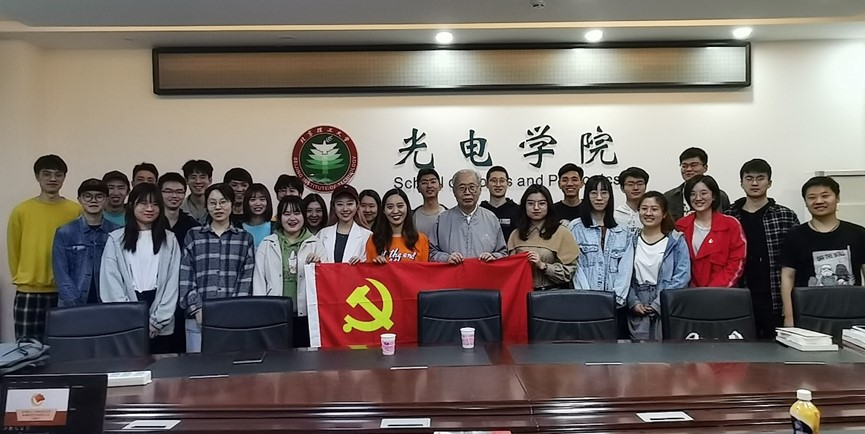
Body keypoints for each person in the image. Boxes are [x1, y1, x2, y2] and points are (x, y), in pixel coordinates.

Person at [7, 155, 81, 340]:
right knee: (26, 348)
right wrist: (22, 278)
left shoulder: (76, 210)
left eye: (58, 174)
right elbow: (14, 248)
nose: (53, 179)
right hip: (29, 291)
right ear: (37, 176)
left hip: (64, 292)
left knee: (64, 346)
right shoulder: (21, 210)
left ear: (64, 177)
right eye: (47, 174)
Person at [100, 183, 180, 354]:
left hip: (160, 315)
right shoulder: (115, 239)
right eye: (143, 203)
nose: (149, 209)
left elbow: (173, 283)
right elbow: (111, 283)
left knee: (162, 367)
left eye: (155, 204)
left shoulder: (170, 239)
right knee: (130, 367)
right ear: (131, 206)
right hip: (127, 316)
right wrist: (131, 319)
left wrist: (157, 321)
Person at [726, 159, 800, 339]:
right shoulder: (729, 216)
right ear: (741, 183)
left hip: (774, 296)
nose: (754, 183)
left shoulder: (785, 215)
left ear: (769, 182)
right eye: (749, 178)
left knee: (778, 349)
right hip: (739, 295)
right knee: (739, 350)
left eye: (760, 178)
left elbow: (796, 260)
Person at [179, 183, 256, 353]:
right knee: (198, 367)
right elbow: (186, 275)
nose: (218, 207)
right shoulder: (193, 235)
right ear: (206, 206)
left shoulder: (244, 238)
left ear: (232, 204)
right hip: (198, 318)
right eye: (212, 203)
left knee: (231, 365)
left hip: (233, 319)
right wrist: (197, 308)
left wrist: (233, 309)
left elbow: (246, 278)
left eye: (223, 202)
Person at [781, 176, 865, 327]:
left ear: (837, 198)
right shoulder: (794, 236)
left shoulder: (858, 233)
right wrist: (789, 316)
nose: (819, 201)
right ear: (806, 202)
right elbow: (787, 277)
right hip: (809, 314)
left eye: (825, 196)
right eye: (812, 197)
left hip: (852, 313)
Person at [253, 195, 326, 348]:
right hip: (274, 314)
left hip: (306, 315)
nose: (292, 218)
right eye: (287, 214)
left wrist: (318, 266)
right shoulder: (267, 244)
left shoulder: (316, 243)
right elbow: (259, 281)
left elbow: (326, 281)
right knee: (277, 358)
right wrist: (260, 312)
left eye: (297, 213)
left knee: (306, 358)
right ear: (279, 218)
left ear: (304, 216)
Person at [569, 175, 634, 337]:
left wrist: (617, 298)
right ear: (587, 196)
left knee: (616, 348)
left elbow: (626, 268)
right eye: (593, 193)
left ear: (610, 196)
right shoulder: (575, 228)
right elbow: (575, 266)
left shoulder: (623, 230)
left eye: (604, 193)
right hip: (585, 303)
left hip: (616, 305)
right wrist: (588, 297)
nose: (599, 198)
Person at [627, 191, 691, 341]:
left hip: (667, 303)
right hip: (638, 307)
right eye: (644, 208)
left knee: (666, 352)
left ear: (664, 214)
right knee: (638, 353)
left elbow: (682, 276)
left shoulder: (676, 241)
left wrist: (659, 303)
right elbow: (623, 276)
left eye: (654, 209)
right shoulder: (630, 240)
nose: (648, 213)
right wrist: (633, 302)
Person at [53, 179, 121, 307]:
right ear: (79, 199)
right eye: (87, 196)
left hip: (108, 302)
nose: (93, 200)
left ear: (107, 200)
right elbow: (61, 273)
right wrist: (74, 303)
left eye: (99, 196)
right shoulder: (65, 232)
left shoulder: (117, 233)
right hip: (72, 304)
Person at [675, 174, 746, 288]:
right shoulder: (681, 226)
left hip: (722, 292)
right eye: (693, 194)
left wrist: (712, 292)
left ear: (714, 196)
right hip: (689, 293)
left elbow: (736, 262)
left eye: (703, 193)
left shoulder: (731, 224)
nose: (698, 198)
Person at [507, 184, 578, 290]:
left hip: (551, 294)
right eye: (531, 203)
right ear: (524, 206)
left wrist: (543, 266)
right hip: (521, 293)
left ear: (549, 206)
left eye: (541, 203)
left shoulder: (562, 232)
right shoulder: (516, 234)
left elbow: (570, 272)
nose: (536, 208)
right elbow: (509, 269)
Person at [429, 169, 507, 263]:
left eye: (472, 187)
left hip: (483, 272)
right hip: (453, 272)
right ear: (454, 191)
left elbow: (503, 253)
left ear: (480, 189)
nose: (467, 192)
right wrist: (446, 258)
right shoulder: (442, 219)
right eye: (462, 188)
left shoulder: (491, 218)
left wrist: (493, 257)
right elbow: (431, 253)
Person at [664, 147, 731, 221]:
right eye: (684, 166)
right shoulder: (668, 197)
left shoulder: (720, 196)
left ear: (705, 167)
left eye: (694, 165)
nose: (688, 169)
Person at [366, 188, 429, 263]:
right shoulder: (374, 240)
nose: (395, 211)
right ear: (383, 210)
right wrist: (377, 265)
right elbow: (369, 269)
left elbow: (423, 269)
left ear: (407, 207)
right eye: (390, 207)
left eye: (400, 206)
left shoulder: (421, 239)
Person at [318, 185, 372, 264]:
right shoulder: (322, 234)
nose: (345, 209)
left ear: (357, 205)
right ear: (333, 206)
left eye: (350, 204)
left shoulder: (368, 236)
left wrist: (361, 264)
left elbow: (371, 265)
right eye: (340, 204)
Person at [480, 165, 520, 242]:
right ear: (486, 184)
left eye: (502, 181)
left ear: (508, 183)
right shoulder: (480, 211)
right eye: (493, 180)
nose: (498, 185)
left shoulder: (518, 211)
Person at [159, 172, 199, 245]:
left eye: (179, 192)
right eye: (168, 191)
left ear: (184, 194)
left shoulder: (191, 225)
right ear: (159, 193)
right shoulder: (151, 222)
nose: (174, 195)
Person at [413, 168, 447, 237]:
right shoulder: (412, 216)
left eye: (433, 182)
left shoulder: (448, 214)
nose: (429, 186)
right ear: (418, 188)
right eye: (424, 183)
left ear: (440, 186)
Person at [615, 166, 649, 235]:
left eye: (640, 184)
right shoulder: (616, 216)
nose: (636, 188)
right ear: (622, 188)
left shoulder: (651, 214)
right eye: (630, 184)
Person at [238, 183, 274, 248]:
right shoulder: (238, 227)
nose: (258, 203)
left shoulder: (275, 228)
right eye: (253, 200)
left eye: (262, 199)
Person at [180, 159, 213, 224]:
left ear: (210, 180)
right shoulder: (179, 208)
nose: (198, 181)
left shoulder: (218, 207)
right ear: (186, 180)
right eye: (193, 177)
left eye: (202, 177)